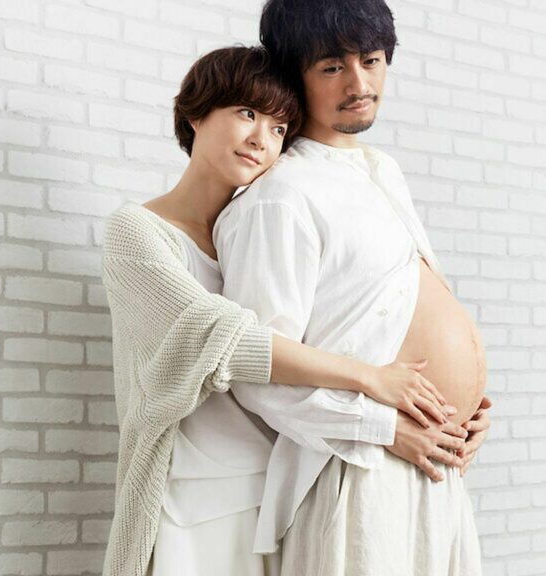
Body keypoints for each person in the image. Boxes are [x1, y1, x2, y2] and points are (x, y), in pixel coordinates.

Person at [100, 46, 464, 576]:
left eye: (278, 127)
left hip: (266, 491)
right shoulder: (136, 234)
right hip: (187, 492)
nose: (261, 139)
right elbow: (229, 341)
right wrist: (372, 383)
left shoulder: (249, 231)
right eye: (246, 113)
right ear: (195, 114)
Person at [212, 1, 493, 573]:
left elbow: (394, 310)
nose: (360, 84)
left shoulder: (382, 171)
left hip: (437, 465)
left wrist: (467, 407)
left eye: (371, 60)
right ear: (295, 73)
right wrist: (385, 429)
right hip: (358, 469)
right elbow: (255, 369)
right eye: (332, 67)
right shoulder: (280, 196)